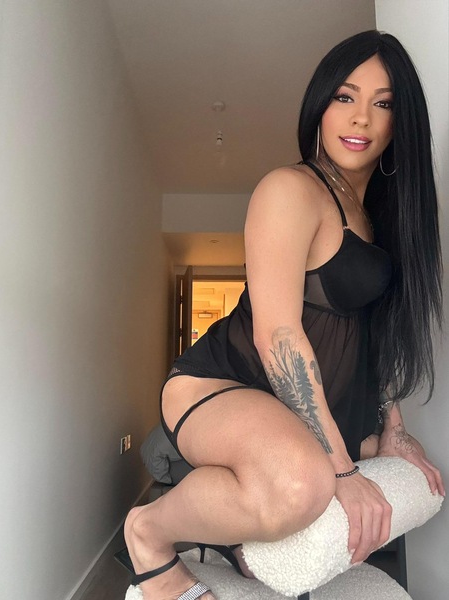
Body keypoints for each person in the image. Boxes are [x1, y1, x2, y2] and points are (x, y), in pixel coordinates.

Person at [124, 30, 445, 600]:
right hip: (222, 384)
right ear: (320, 105)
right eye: (345, 96)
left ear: (402, 122)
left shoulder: (379, 216)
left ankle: (232, 541)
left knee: (382, 461)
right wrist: (342, 471)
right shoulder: (291, 189)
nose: (362, 118)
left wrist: (391, 430)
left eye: (384, 103)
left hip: (305, 404)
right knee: (303, 484)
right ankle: (148, 531)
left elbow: (379, 334)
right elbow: (278, 333)